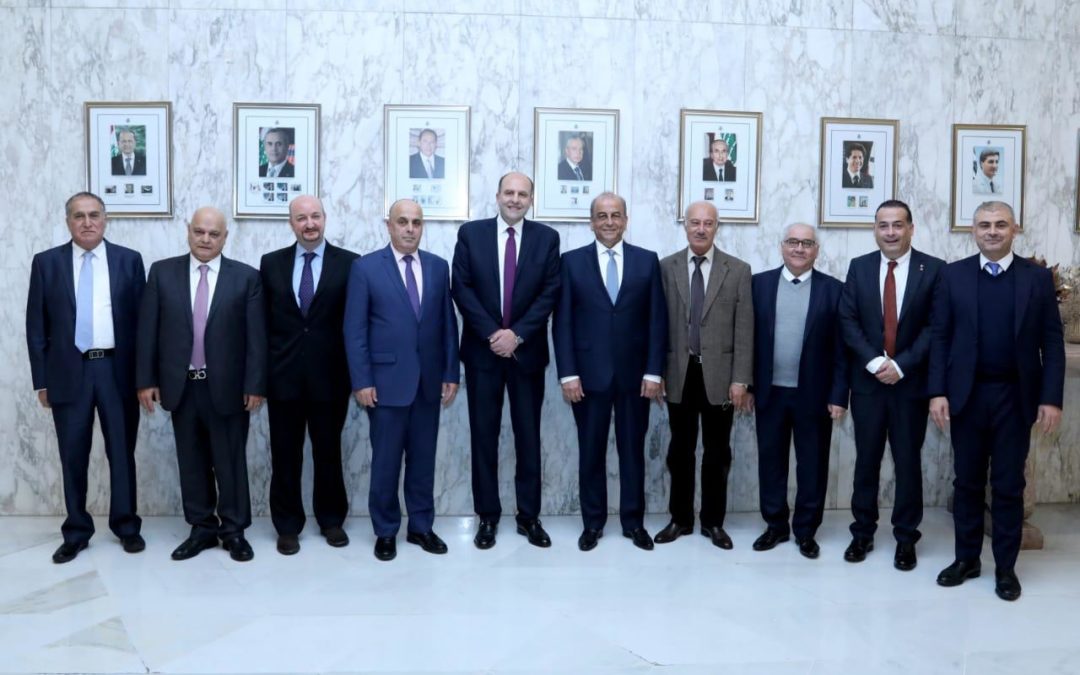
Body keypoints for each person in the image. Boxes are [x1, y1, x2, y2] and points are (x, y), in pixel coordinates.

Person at [929, 201, 1064, 601]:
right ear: (973, 231)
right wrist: (937, 391)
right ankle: (966, 559)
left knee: (1008, 485)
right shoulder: (952, 276)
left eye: (1000, 224)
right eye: (984, 225)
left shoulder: (1037, 278)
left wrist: (1051, 398)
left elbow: (1052, 342)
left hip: (1015, 397)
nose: (992, 231)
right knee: (967, 483)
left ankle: (1006, 568)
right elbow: (940, 337)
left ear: (1014, 229)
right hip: (966, 396)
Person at [136, 206, 267, 562]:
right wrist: (146, 380)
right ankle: (202, 528)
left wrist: (255, 385)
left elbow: (257, 339)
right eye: (199, 232)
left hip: (228, 388)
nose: (205, 239)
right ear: (188, 231)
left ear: (225, 237)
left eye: (214, 234)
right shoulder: (162, 273)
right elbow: (148, 330)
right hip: (181, 386)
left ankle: (234, 530)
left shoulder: (247, 278)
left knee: (230, 462)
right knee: (191, 462)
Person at [26, 192, 146, 563]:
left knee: (121, 452)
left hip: (116, 371)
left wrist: (145, 377)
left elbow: (143, 325)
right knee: (73, 454)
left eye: (94, 214)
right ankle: (77, 531)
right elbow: (36, 326)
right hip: (67, 373)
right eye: (79, 216)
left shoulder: (129, 260)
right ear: (68, 222)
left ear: (105, 219)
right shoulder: (46, 263)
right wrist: (42, 380)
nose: (87, 222)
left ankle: (126, 526)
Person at [344, 199, 459, 562]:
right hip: (384, 384)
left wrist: (450, 372)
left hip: (428, 383)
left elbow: (447, 324)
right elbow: (354, 330)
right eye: (403, 222)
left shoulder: (438, 267)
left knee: (423, 461)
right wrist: (362, 381)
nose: (410, 229)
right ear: (389, 226)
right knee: (386, 463)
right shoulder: (365, 268)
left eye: (416, 222)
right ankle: (385, 530)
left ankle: (421, 527)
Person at [553, 192, 667, 552]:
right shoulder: (571, 262)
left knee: (633, 452)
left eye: (615, 215)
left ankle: (633, 523)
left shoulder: (647, 261)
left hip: (636, 378)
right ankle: (593, 524)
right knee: (591, 453)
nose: (609, 222)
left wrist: (654, 372)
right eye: (601, 215)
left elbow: (657, 320)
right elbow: (563, 322)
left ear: (626, 220)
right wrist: (568, 374)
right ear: (591, 222)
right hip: (587, 378)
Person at [451, 172, 561, 549]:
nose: (515, 199)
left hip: (526, 354)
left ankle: (528, 516)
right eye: (509, 192)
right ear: (497, 195)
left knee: (528, 437)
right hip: (482, 354)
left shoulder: (547, 238)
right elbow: (461, 287)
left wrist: (517, 334)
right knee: (484, 436)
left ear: (531, 199)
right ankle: (487, 516)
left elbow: (550, 291)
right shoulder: (471, 234)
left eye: (522, 194)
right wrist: (493, 334)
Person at [839, 200, 945, 570]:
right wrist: (874, 362)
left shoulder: (934, 269)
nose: (890, 232)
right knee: (866, 461)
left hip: (910, 386)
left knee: (907, 463)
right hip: (868, 385)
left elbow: (935, 326)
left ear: (911, 228)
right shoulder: (859, 266)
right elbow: (848, 319)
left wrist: (901, 365)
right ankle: (862, 533)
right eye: (883, 225)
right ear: (875, 229)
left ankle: (906, 538)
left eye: (897, 225)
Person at [260, 195, 359, 555]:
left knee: (328, 452)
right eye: (301, 218)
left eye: (315, 216)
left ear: (325, 218)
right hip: (283, 378)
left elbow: (355, 324)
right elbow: (263, 325)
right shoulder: (271, 264)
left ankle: (331, 520)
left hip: (331, 379)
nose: (309, 224)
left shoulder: (350, 263)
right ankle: (287, 526)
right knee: (285, 456)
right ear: (291, 223)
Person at [654, 201, 752, 549]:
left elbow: (745, 330)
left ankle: (713, 523)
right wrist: (656, 372)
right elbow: (657, 324)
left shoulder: (737, 270)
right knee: (679, 451)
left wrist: (741, 379)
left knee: (717, 453)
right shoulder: (665, 267)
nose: (700, 228)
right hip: (678, 374)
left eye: (707, 223)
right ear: (685, 226)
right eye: (694, 222)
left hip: (721, 378)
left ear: (716, 227)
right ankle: (680, 519)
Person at [749, 224, 848, 559]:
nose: (799, 249)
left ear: (816, 250)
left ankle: (806, 530)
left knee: (812, 465)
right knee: (771, 462)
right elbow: (747, 340)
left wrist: (838, 395)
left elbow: (842, 349)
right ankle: (775, 525)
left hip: (814, 395)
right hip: (769, 392)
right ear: (782, 246)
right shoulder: (759, 285)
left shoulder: (834, 290)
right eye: (793, 242)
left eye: (807, 243)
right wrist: (747, 385)